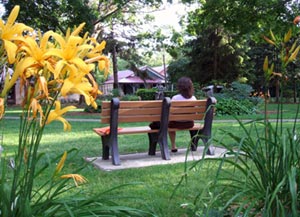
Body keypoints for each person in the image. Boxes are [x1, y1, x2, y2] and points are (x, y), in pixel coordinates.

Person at [169, 76, 196, 152]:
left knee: (169, 125)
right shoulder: (193, 98)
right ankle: (193, 145)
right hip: (190, 123)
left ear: (179, 87)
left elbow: (171, 112)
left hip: (176, 124)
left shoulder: (175, 98)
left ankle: (173, 145)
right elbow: (195, 112)